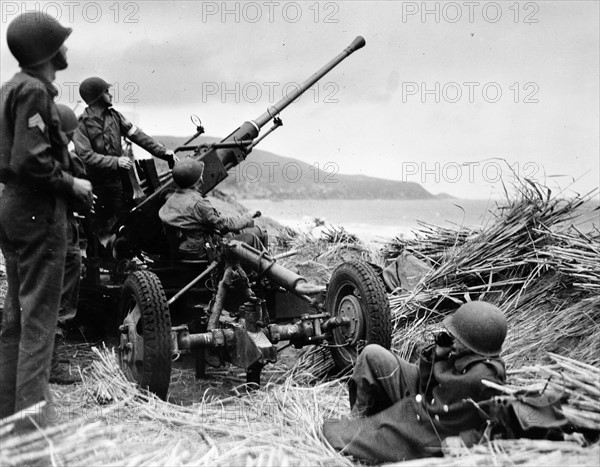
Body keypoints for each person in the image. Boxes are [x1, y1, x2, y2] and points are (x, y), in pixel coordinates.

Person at [0, 13, 93, 419]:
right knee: (39, 325)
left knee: (16, 321)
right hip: (39, 212)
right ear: (48, 51)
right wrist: (73, 185)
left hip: (12, 209)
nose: (67, 49)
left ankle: (9, 419)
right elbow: (31, 160)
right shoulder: (35, 92)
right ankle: (33, 435)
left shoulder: (9, 89)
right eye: (61, 43)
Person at [323, 301, 508, 463]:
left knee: (341, 438)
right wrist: (436, 356)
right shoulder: (462, 354)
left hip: (431, 429)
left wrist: (466, 441)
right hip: (423, 397)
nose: (452, 338)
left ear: (472, 343)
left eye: (457, 337)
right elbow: (427, 382)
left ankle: (367, 431)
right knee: (372, 354)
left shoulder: (487, 377)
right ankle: (360, 416)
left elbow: (500, 425)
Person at [72, 76, 178, 255]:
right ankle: (95, 269)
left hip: (116, 182)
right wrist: (116, 161)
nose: (110, 94)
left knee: (125, 218)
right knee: (95, 226)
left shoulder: (116, 116)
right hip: (93, 184)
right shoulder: (81, 124)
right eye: (106, 91)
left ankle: (121, 258)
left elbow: (138, 136)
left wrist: (163, 152)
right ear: (97, 96)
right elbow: (86, 155)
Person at [49, 104, 89, 385]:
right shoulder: (64, 160)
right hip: (59, 234)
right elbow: (83, 200)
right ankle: (50, 366)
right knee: (60, 301)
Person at [159, 158, 265, 259]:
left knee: (229, 235)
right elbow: (224, 225)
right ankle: (259, 275)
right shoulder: (199, 204)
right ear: (198, 180)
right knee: (255, 235)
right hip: (201, 252)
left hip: (182, 249)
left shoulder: (170, 199)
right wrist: (249, 216)